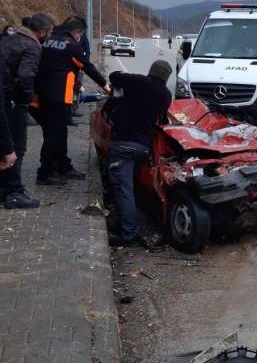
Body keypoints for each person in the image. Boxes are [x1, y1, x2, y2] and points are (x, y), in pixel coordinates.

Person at [34, 16, 109, 185]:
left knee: (57, 132)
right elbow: (87, 67)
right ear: (76, 32)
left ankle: (63, 166)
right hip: (60, 97)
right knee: (54, 135)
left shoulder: (47, 40)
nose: (80, 38)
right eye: (80, 35)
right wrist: (106, 86)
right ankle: (44, 173)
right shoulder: (72, 46)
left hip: (41, 95)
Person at [106, 60, 173, 246]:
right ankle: (121, 223)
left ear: (151, 71)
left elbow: (114, 76)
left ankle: (127, 234)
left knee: (123, 190)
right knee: (127, 188)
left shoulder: (139, 81)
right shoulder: (166, 95)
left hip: (123, 145)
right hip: (143, 148)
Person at [0, 13, 54, 208]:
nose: (49, 36)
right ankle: (14, 192)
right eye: (49, 32)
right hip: (12, 100)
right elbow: (25, 75)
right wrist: (27, 99)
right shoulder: (32, 46)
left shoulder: (10, 39)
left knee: (4, 144)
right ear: (42, 32)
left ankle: (4, 187)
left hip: (4, 97)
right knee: (17, 147)